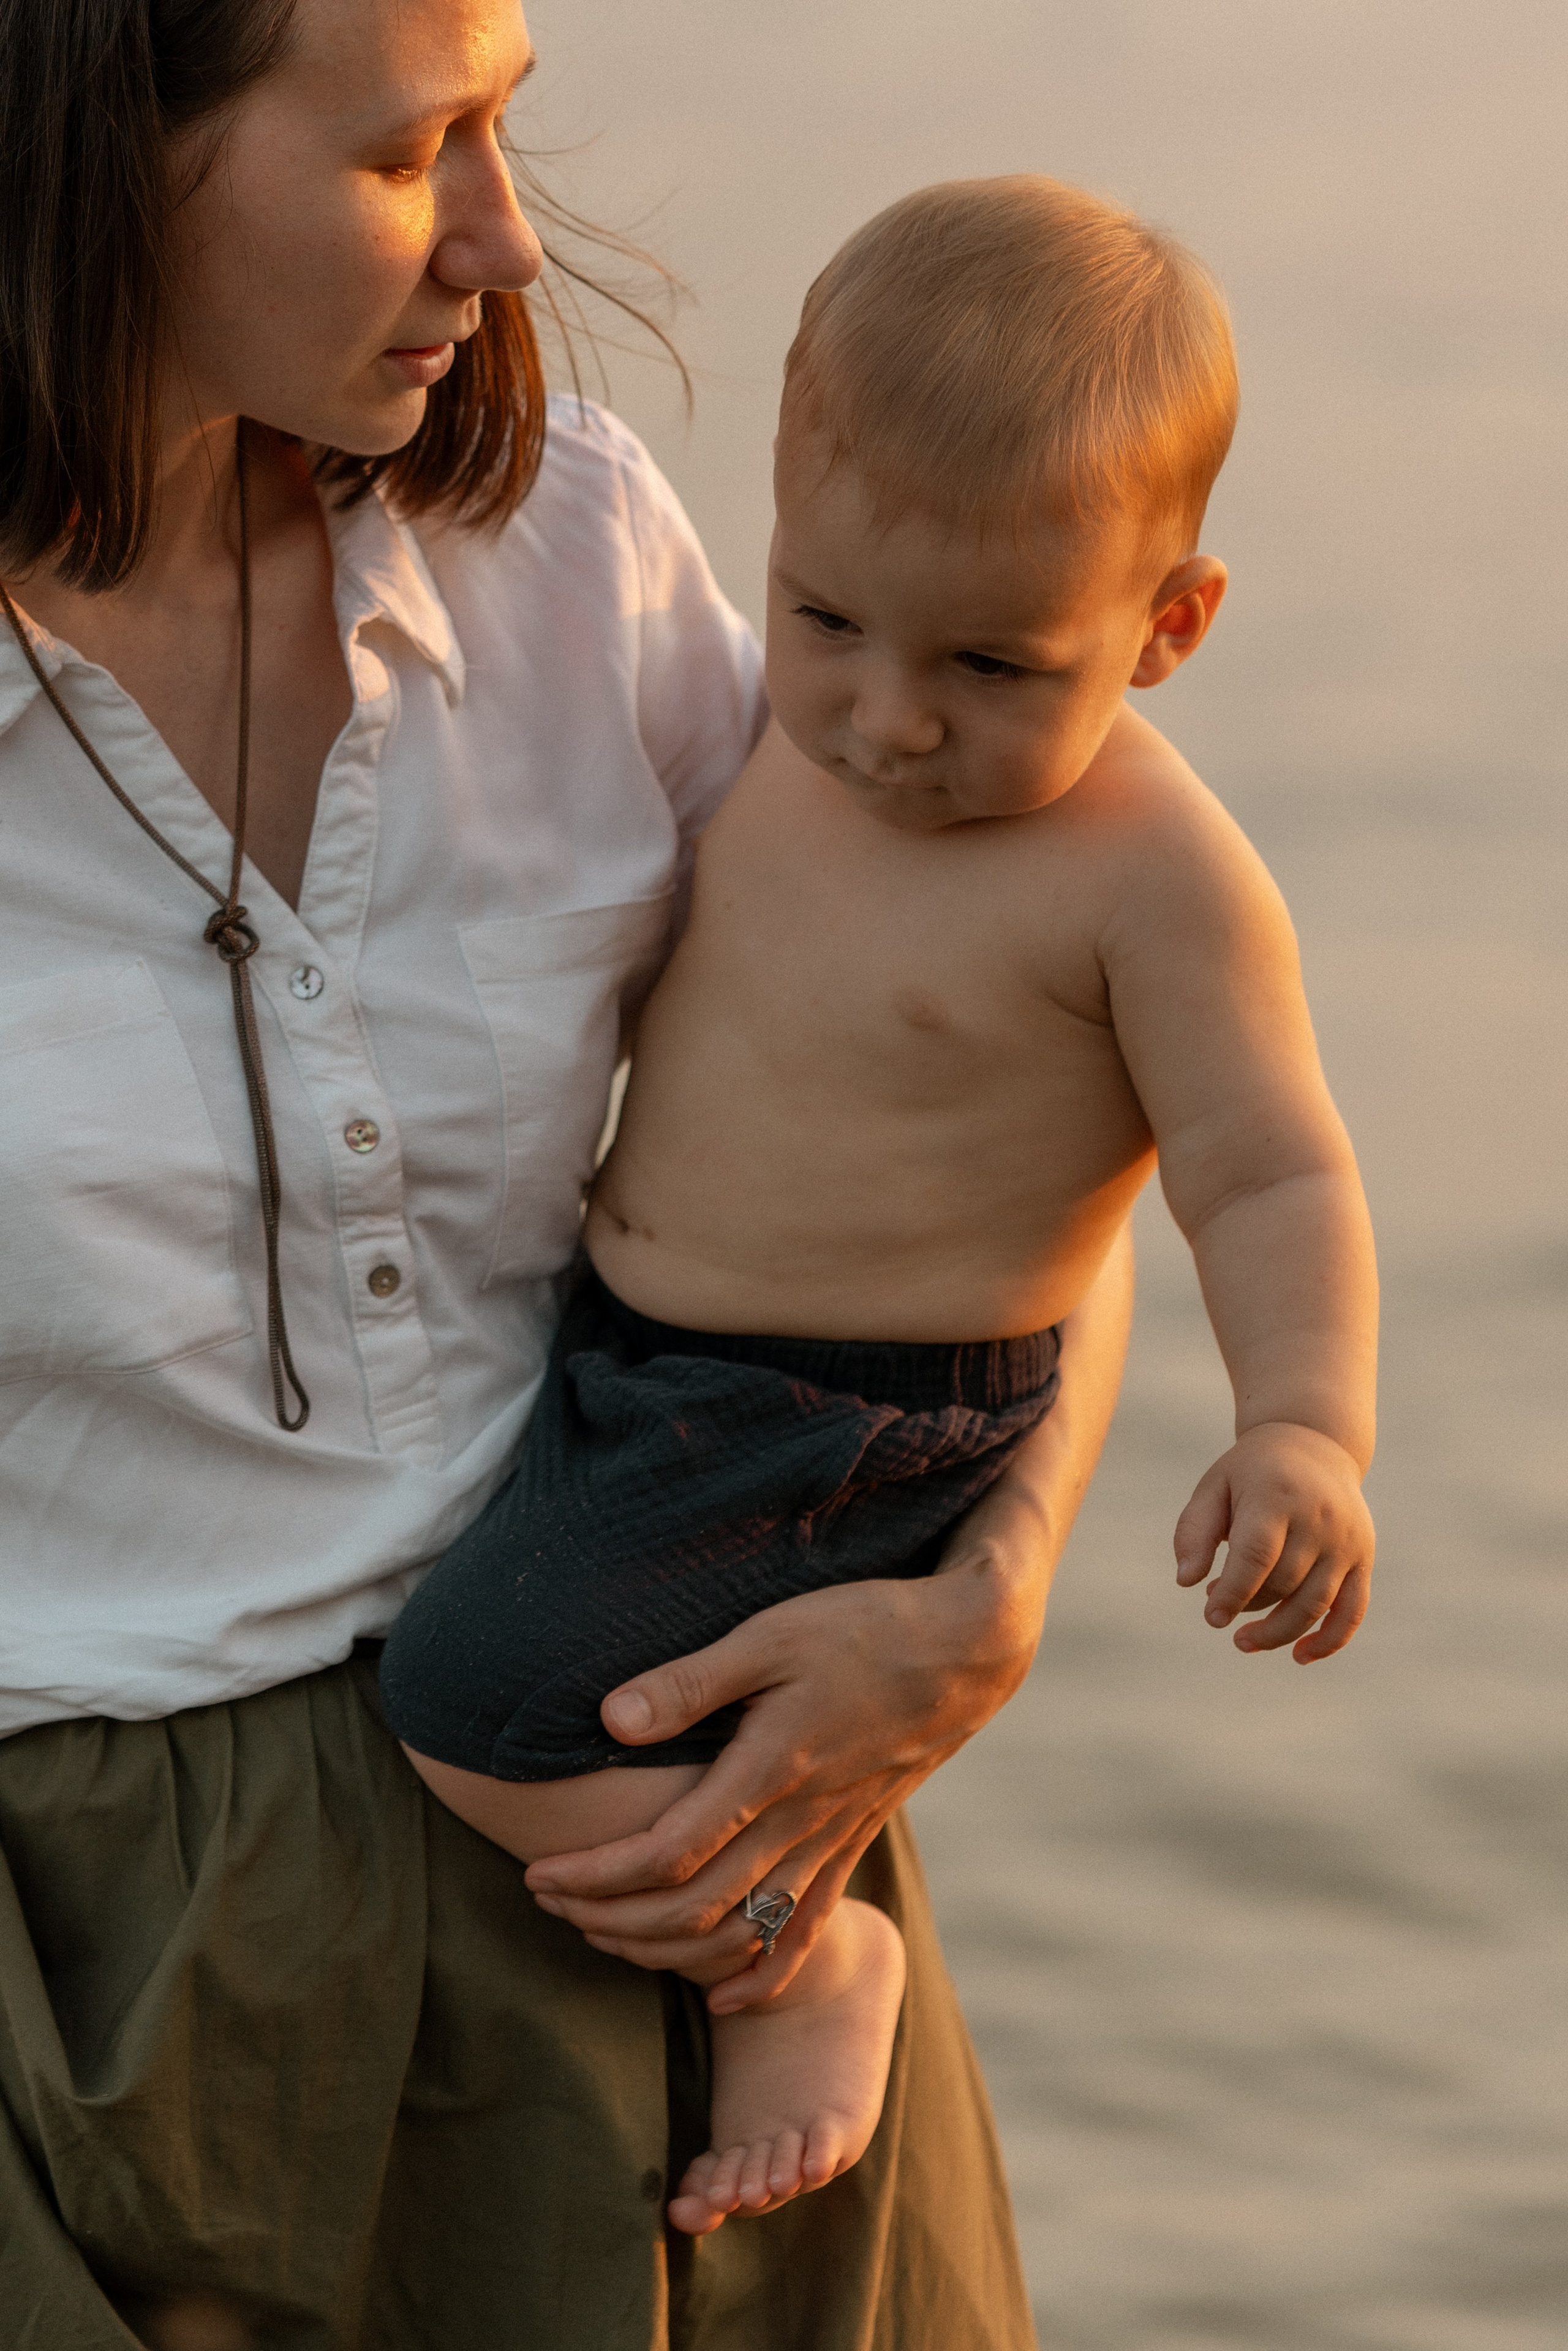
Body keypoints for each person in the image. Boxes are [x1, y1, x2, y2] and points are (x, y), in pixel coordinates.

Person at [0, 7, 1142, 2347]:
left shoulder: (566, 545)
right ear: (86, 147)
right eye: (419, 148)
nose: (511, 241)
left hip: (695, 1907)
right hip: (100, 1998)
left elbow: (1026, 1104)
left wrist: (987, 1600)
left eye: (504, 122)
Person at [379, 176, 1379, 2238]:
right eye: (829, 617)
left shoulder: (1148, 879)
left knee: (469, 1697)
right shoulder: (767, 729)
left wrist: (1304, 1423)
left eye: (996, 665)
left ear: (1168, 624)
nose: (889, 719)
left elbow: (1269, 1164)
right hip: (640, 1354)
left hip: (852, 1417)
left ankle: (794, 1957)